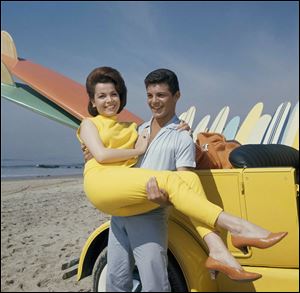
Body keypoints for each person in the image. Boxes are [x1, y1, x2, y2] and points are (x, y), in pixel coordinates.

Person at [78, 66, 287, 286]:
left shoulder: (182, 137)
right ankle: (224, 239)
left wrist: (163, 199)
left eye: (161, 95)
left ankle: (230, 233)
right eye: (150, 96)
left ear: (176, 96)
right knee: (115, 278)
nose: (154, 101)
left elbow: (185, 185)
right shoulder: (139, 130)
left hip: (149, 213)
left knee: (154, 283)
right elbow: (109, 150)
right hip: (121, 210)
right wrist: (91, 153)